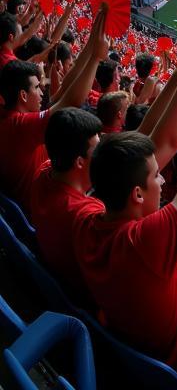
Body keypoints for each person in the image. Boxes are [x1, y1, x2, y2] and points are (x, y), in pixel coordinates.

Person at [75, 31, 177, 388]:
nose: (163, 182)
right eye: (157, 176)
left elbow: (168, 142)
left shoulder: (86, 220)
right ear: (137, 195)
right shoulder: (148, 240)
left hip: (136, 360)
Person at [0, 8, 110, 206]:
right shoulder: (20, 126)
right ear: (23, 95)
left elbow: (66, 89)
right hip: (39, 206)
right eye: (37, 87)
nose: (42, 91)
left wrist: (93, 44)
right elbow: (70, 102)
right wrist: (96, 58)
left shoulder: (11, 116)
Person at [29, 107, 104, 305]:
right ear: (79, 162)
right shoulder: (85, 214)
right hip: (88, 301)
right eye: (97, 150)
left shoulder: (43, 171)